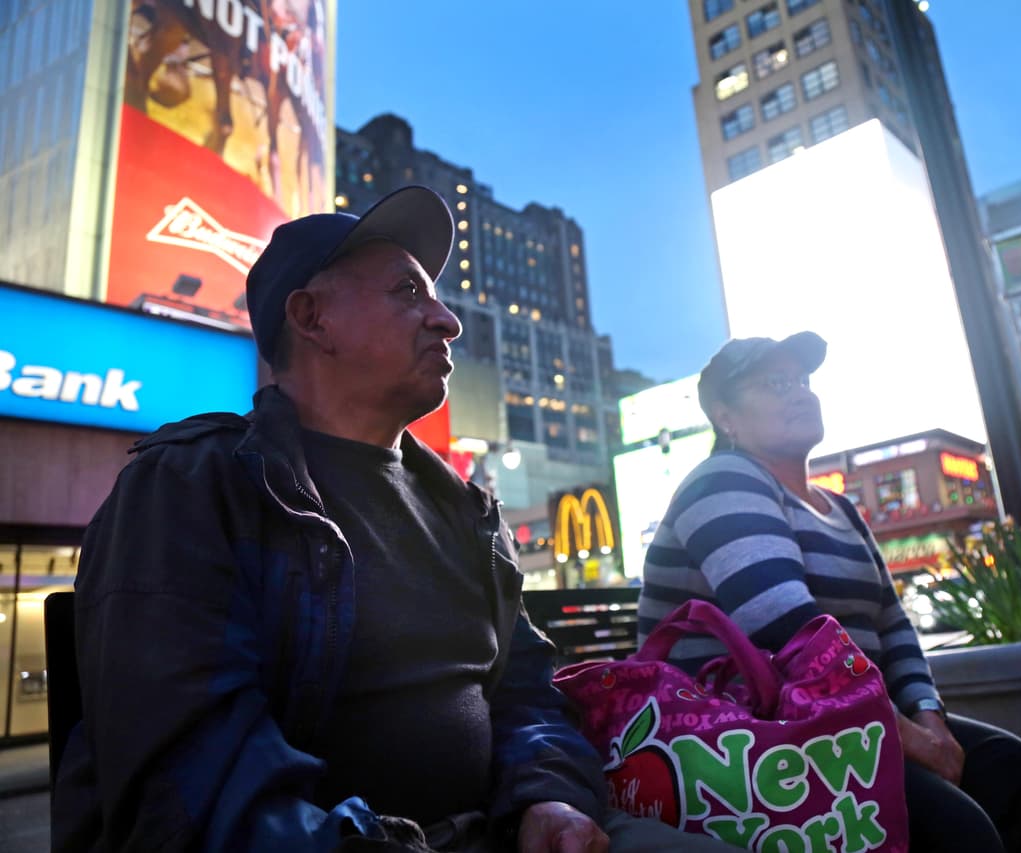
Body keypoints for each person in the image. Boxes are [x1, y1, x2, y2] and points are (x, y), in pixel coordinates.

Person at [53, 186, 734, 853]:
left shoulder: (465, 509)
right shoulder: (193, 487)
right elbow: (196, 782)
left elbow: (527, 694)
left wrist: (546, 797)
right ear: (313, 318)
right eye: (409, 292)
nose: (447, 320)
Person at [638, 332, 1021, 853]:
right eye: (776, 382)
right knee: (960, 830)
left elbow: (894, 626)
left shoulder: (840, 508)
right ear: (726, 417)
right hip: (743, 739)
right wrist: (912, 742)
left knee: (1007, 766)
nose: (801, 392)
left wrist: (928, 717)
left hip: (843, 725)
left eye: (804, 380)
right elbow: (790, 632)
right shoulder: (721, 482)